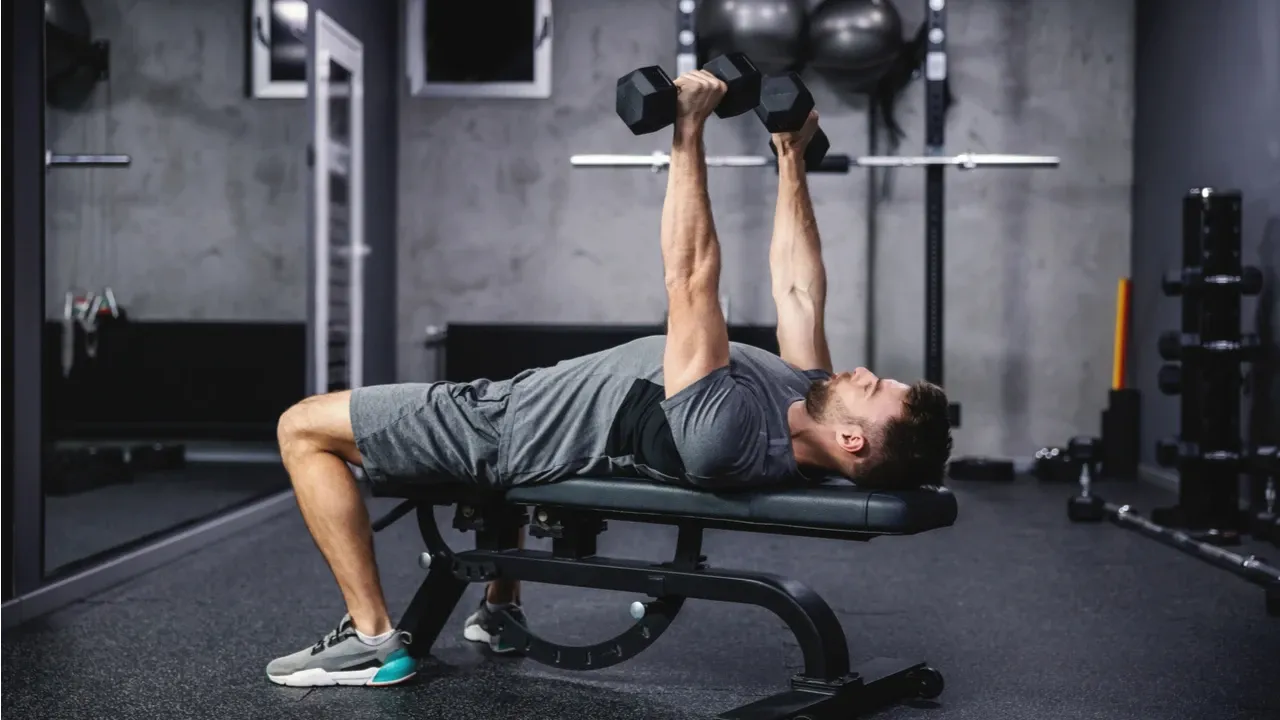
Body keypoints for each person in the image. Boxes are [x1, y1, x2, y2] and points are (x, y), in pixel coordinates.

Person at [265, 69, 953, 688]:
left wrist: (688, 130)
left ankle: (370, 640)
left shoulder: (728, 434)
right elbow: (799, 290)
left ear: (852, 442)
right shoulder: (807, 398)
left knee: (302, 426)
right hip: (531, 407)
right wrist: (790, 158)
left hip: (502, 429)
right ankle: (498, 610)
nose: (860, 371)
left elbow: (690, 278)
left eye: (871, 387)